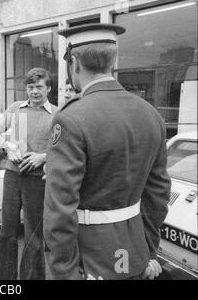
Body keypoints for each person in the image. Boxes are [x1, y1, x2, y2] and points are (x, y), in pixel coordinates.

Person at [43, 23, 171, 280]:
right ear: (112, 61)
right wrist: (148, 251)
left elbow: (59, 210)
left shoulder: (71, 118)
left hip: (90, 260)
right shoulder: (151, 114)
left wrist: (65, 274)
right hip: (133, 254)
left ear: (75, 62)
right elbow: (157, 195)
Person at [0, 68, 57, 280]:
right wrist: (7, 144)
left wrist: (43, 156)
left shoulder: (58, 114)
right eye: (30, 87)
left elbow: (66, 147)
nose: (34, 92)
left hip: (38, 180)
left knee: (34, 236)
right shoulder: (15, 108)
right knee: (7, 231)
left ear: (48, 88)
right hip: (12, 175)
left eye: (39, 87)